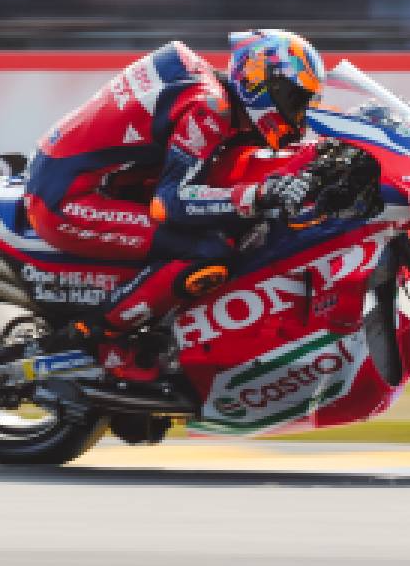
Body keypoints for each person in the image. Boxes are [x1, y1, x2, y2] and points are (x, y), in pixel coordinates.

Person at [24, 29, 326, 380]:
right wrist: (257, 196)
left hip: (87, 181)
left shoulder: (216, 98)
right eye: (294, 100)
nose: (298, 115)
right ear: (260, 83)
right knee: (208, 251)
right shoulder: (209, 107)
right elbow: (170, 203)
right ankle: (94, 336)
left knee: (228, 222)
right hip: (65, 199)